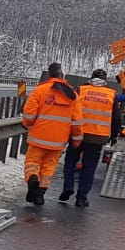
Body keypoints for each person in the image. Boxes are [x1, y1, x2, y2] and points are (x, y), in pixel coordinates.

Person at [59, 69, 122, 207]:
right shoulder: (111, 94)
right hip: (98, 137)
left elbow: (70, 109)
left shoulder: (81, 90)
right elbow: (117, 118)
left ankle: (68, 187)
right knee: (90, 167)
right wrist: (114, 136)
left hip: (78, 134)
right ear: (105, 80)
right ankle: (81, 198)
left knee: (70, 161)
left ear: (91, 78)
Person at [21, 62, 81, 206]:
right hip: (58, 140)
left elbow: (29, 115)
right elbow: (77, 120)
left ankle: (32, 179)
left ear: (49, 74)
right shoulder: (72, 95)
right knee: (48, 167)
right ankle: (40, 195)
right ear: (62, 75)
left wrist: (27, 124)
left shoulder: (39, 90)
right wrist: (76, 139)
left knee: (32, 162)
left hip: (38, 137)